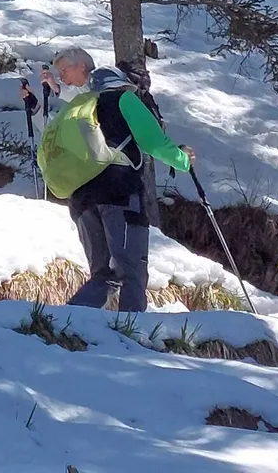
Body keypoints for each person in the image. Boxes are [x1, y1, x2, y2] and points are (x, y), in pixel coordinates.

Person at [37, 47, 193, 313]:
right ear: (123, 84)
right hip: (119, 193)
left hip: (81, 198)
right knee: (130, 272)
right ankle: (134, 336)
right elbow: (154, 143)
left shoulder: (79, 107)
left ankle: (68, 322)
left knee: (103, 273)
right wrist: (183, 159)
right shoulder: (124, 100)